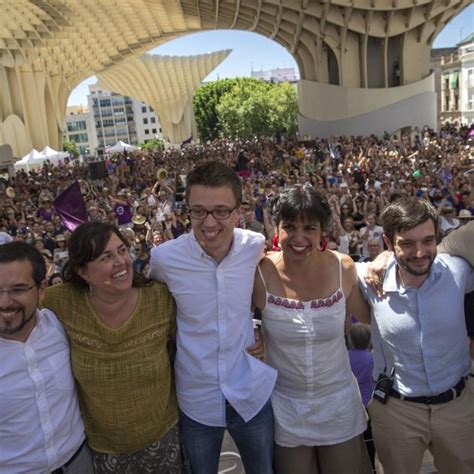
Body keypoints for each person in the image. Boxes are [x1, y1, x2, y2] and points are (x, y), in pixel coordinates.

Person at [149, 161, 277, 474]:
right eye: (199, 211)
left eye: (221, 210)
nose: (209, 222)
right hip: (196, 400)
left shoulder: (254, 246)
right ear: (187, 211)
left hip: (249, 393)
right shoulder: (164, 259)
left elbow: (285, 277)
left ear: (238, 211)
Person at [42, 222, 183, 473]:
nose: (121, 261)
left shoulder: (160, 299)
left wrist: (253, 336)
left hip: (163, 440)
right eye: (106, 257)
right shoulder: (61, 302)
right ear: (83, 272)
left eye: (121, 250)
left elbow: (193, 338)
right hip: (103, 450)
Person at [252, 185, 371, 474]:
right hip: (285, 408)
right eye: (289, 227)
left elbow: (372, 319)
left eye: (310, 228)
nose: (299, 238)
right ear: (277, 229)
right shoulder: (259, 272)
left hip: (338, 404)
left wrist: (381, 264)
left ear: (323, 232)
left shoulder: (344, 267)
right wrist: (255, 334)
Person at [357, 197, 474, 474]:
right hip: (397, 412)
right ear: (388, 241)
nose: (420, 252)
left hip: (457, 407)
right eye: (407, 243)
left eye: (427, 241)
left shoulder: (459, 271)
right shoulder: (367, 279)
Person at [0, 241, 93, 473]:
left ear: (41, 290)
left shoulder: (59, 325)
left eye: (18, 290)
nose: (4, 302)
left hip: (77, 462)